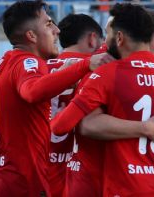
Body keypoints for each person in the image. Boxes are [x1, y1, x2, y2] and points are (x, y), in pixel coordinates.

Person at [50, 3, 154, 196]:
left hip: (127, 186)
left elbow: (60, 126)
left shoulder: (108, 73)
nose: (103, 43)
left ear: (119, 37)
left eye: (107, 34)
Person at [0, 0, 112, 196]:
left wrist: (61, 75)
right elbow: (32, 91)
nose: (57, 30)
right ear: (31, 35)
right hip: (19, 184)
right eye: (48, 24)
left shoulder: (2, 64)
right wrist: (85, 65)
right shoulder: (28, 61)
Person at [46, 13, 104, 197]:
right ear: (92, 38)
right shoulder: (99, 70)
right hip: (82, 171)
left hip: (40, 168)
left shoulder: (39, 67)